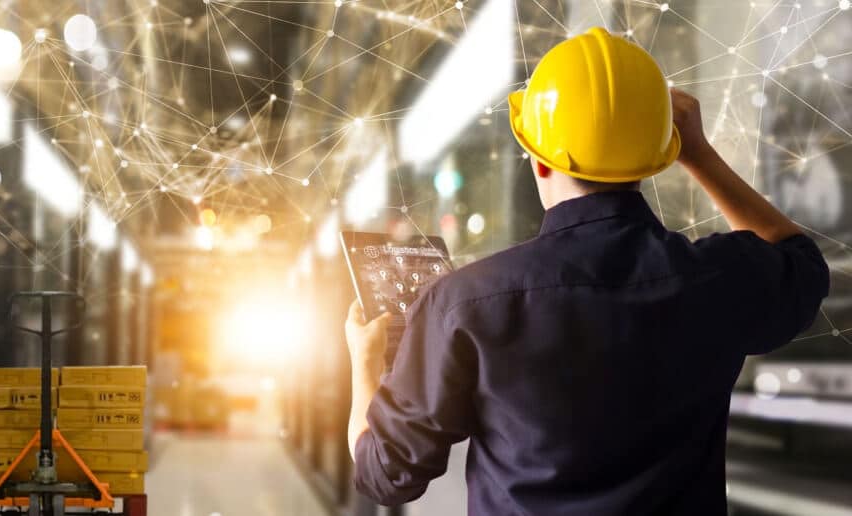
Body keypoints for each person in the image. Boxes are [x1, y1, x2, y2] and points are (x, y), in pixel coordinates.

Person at [344, 27, 829, 515]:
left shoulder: (462, 304)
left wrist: (364, 365)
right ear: (659, 154)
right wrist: (699, 153)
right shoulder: (719, 278)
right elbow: (801, 262)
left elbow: (385, 475)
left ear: (538, 160)